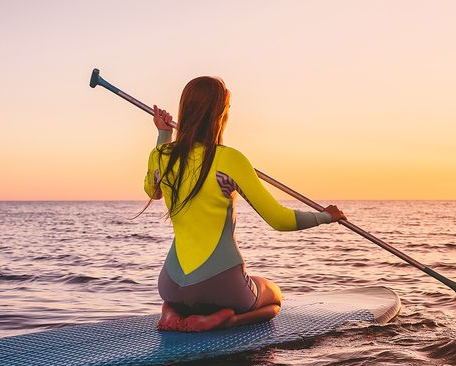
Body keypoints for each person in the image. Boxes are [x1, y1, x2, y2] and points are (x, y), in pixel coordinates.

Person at [145, 76, 345, 332]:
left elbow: (153, 191)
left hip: (170, 285)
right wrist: (325, 216)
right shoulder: (230, 159)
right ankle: (223, 320)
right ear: (219, 114)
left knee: (188, 295)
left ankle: (171, 311)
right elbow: (279, 220)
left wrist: (163, 135)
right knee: (273, 298)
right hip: (221, 286)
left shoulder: (161, 155)